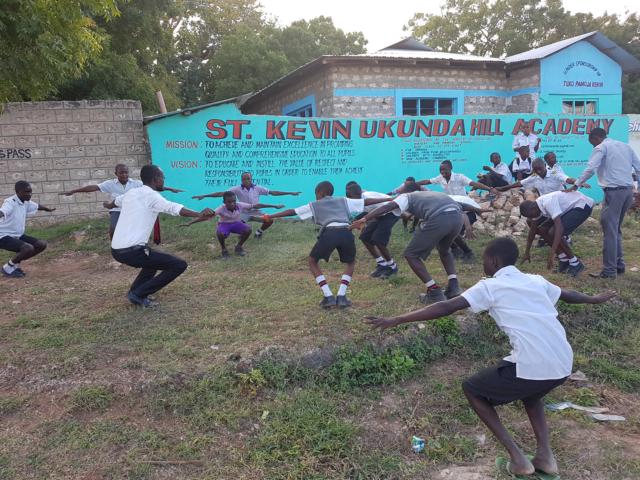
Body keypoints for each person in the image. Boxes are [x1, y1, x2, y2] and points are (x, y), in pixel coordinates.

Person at [365, 237, 615, 478]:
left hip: (534, 362)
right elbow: (568, 294)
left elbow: (447, 306)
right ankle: (545, 458)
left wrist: (397, 319)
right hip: (563, 362)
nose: (483, 265)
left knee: (473, 389)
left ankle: (518, 460)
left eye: (484, 260)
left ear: (494, 261)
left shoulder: (490, 286)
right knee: (532, 395)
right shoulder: (535, 280)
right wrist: (594, 299)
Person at [264, 181, 391, 309]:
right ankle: (342, 296)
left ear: (320, 193)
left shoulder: (315, 204)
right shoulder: (343, 200)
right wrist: (389, 199)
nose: (315, 197)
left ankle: (328, 296)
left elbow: (293, 211)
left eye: (316, 194)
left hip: (330, 232)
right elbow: (365, 202)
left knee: (312, 261)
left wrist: (271, 216)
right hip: (346, 232)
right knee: (350, 262)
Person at [105, 165, 215, 307]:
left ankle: (136, 290)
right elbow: (174, 208)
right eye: (163, 178)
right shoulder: (152, 196)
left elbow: (115, 202)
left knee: (154, 261)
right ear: (156, 179)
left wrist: (108, 205)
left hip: (116, 250)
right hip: (132, 251)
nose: (164, 181)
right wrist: (199, 214)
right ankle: (138, 294)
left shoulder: (132, 193)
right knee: (179, 265)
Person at [351, 190, 463, 305]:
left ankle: (434, 292)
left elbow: (388, 206)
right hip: (458, 217)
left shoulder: (405, 197)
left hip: (439, 217)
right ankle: (454, 286)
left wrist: (364, 219)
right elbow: (461, 205)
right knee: (444, 250)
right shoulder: (428, 194)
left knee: (411, 255)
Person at [572, 127, 640, 278]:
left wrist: (577, 184)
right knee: (615, 228)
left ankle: (609, 271)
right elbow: (638, 168)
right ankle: (619, 265)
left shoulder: (601, 147)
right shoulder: (625, 146)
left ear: (596, 138)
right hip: (627, 191)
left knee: (610, 231)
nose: (592, 146)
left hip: (614, 192)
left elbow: (591, 168)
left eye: (592, 143)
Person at [60, 163, 183, 238]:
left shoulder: (136, 183)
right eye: (121, 173)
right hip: (117, 209)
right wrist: (73, 191)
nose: (124, 175)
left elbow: (153, 185)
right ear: (116, 173)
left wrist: (170, 189)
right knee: (113, 228)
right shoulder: (109, 184)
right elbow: (93, 187)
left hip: (133, 210)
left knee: (135, 229)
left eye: (126, 172)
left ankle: (134, 246)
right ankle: (115, 247)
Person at [192, 172, 301, 239]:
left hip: (256, 212)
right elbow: (221, 193)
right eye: (244, 179)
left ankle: (259, 232)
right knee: (240, 229)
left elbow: (273, 192)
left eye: (248, 178)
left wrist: (290, 193)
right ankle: (240, 234)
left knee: (269, 220)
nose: (246, 180)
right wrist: (204, 195)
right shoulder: (236, 189)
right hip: (242, 213)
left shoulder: (258, 188)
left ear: (251, 179)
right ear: (241, 180)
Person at [180, 191, 283, 258]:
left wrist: (274, 206)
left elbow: (256, 205)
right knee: (220, 233)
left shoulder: (240, 205)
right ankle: (224, 249)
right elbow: (207, 217)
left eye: (233, 201)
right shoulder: (220, 208)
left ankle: (238, 247)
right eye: (229, 202)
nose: (232, 203)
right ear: (224, 202)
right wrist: (190, 223)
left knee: (248, 229)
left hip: (236, 223)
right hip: (224, 224)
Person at [519, 190, 594, 276]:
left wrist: (552, 252)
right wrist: (527, 252)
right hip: (568, 209)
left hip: (582, 205)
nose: (531, 218)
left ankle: (576, 263)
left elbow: (559, 228)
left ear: (533, 209)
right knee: (543, 229)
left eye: (530, 216)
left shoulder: (548, 203)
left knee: (553, 232)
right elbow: (532, 231)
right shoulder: (536, 207)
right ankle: (564, 259)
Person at [0, 181, 56, 277]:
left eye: (30, 192)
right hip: (3, 236)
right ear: (18, 192)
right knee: (28, 248)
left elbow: (37, 206)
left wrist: (48, 209)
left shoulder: (26, 202)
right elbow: (3, 211)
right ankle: (7, 268)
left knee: (41, 244)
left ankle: (14, 265)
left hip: (17, 235)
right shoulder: (10, 202)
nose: (29, 194)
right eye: (26, 192)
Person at [346, 182, 400, 279]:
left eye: (350, 196)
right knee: (365, 237)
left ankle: (392, 267)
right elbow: (365, 212)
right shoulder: (357, 199)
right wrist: (354, 222)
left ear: (356, 195)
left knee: (378, 240)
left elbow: (382, 206)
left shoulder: (367, 198)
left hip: (391, 213)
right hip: (379, 214)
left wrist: (390, 199)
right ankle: (382, 264)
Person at [497, 158, 581, 196]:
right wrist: (502, 188)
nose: (539, 172)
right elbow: (519, 183)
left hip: (560, 199)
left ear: (545, 165)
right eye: (536, 170)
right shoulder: (534, 176)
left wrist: (578, 182)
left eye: (540, 169)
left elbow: (568, 179)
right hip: (546, 202)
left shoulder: (554, 173)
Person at [416, 160, 498, 196]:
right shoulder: (440, 178)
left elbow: (474, 184)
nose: (442, 171)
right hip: (450, 203)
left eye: (444, 169)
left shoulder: (460, 177)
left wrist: (489, 189)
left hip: (462, 202)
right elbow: (427, 181)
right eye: (441, 170)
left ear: (451, 168)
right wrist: (414, 183)